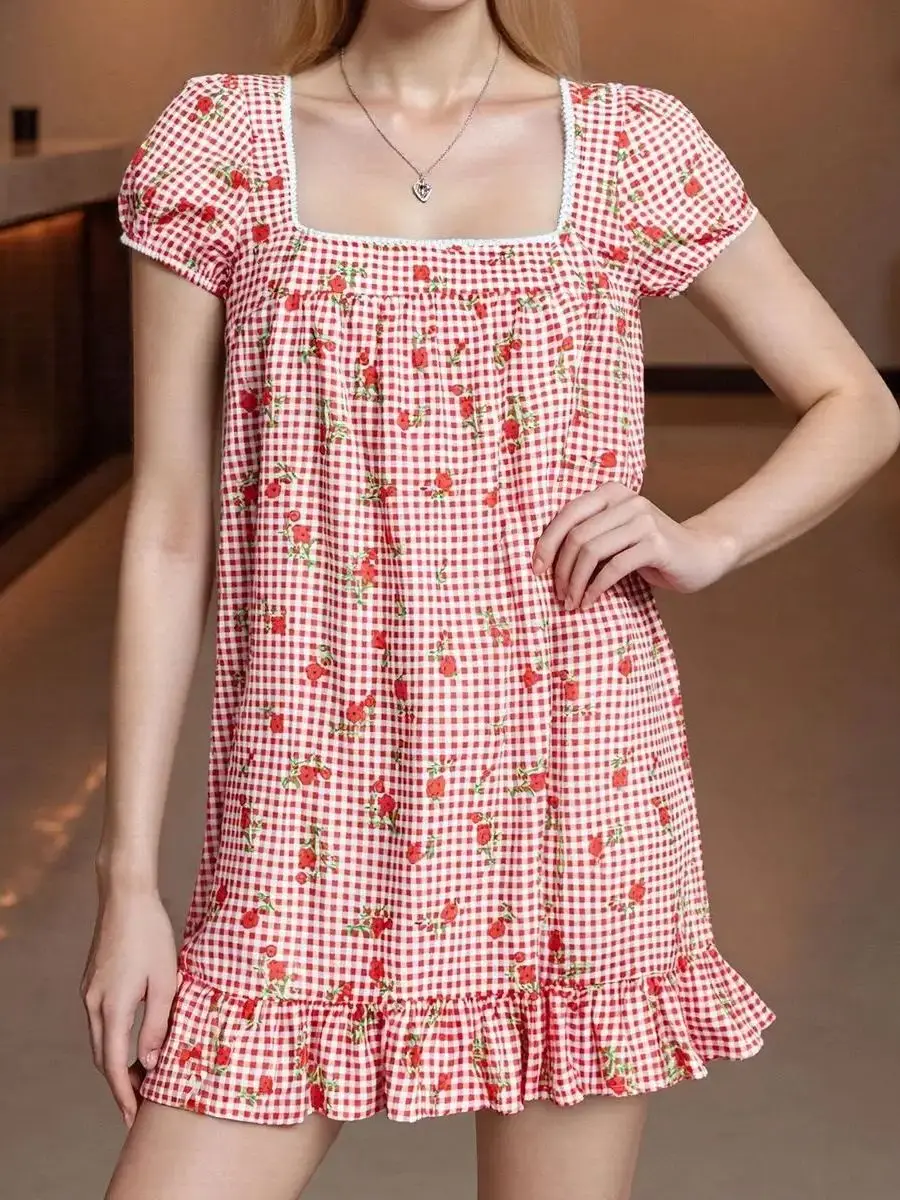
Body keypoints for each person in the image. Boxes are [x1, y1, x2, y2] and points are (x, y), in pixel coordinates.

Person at [81, 1, 900, 1197]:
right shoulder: (221, 142)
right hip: (306, 809)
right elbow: (167, 527)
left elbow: (857, 402)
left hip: (574, 799)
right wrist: (128, 887)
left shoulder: (631, 145)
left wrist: (712, 537)